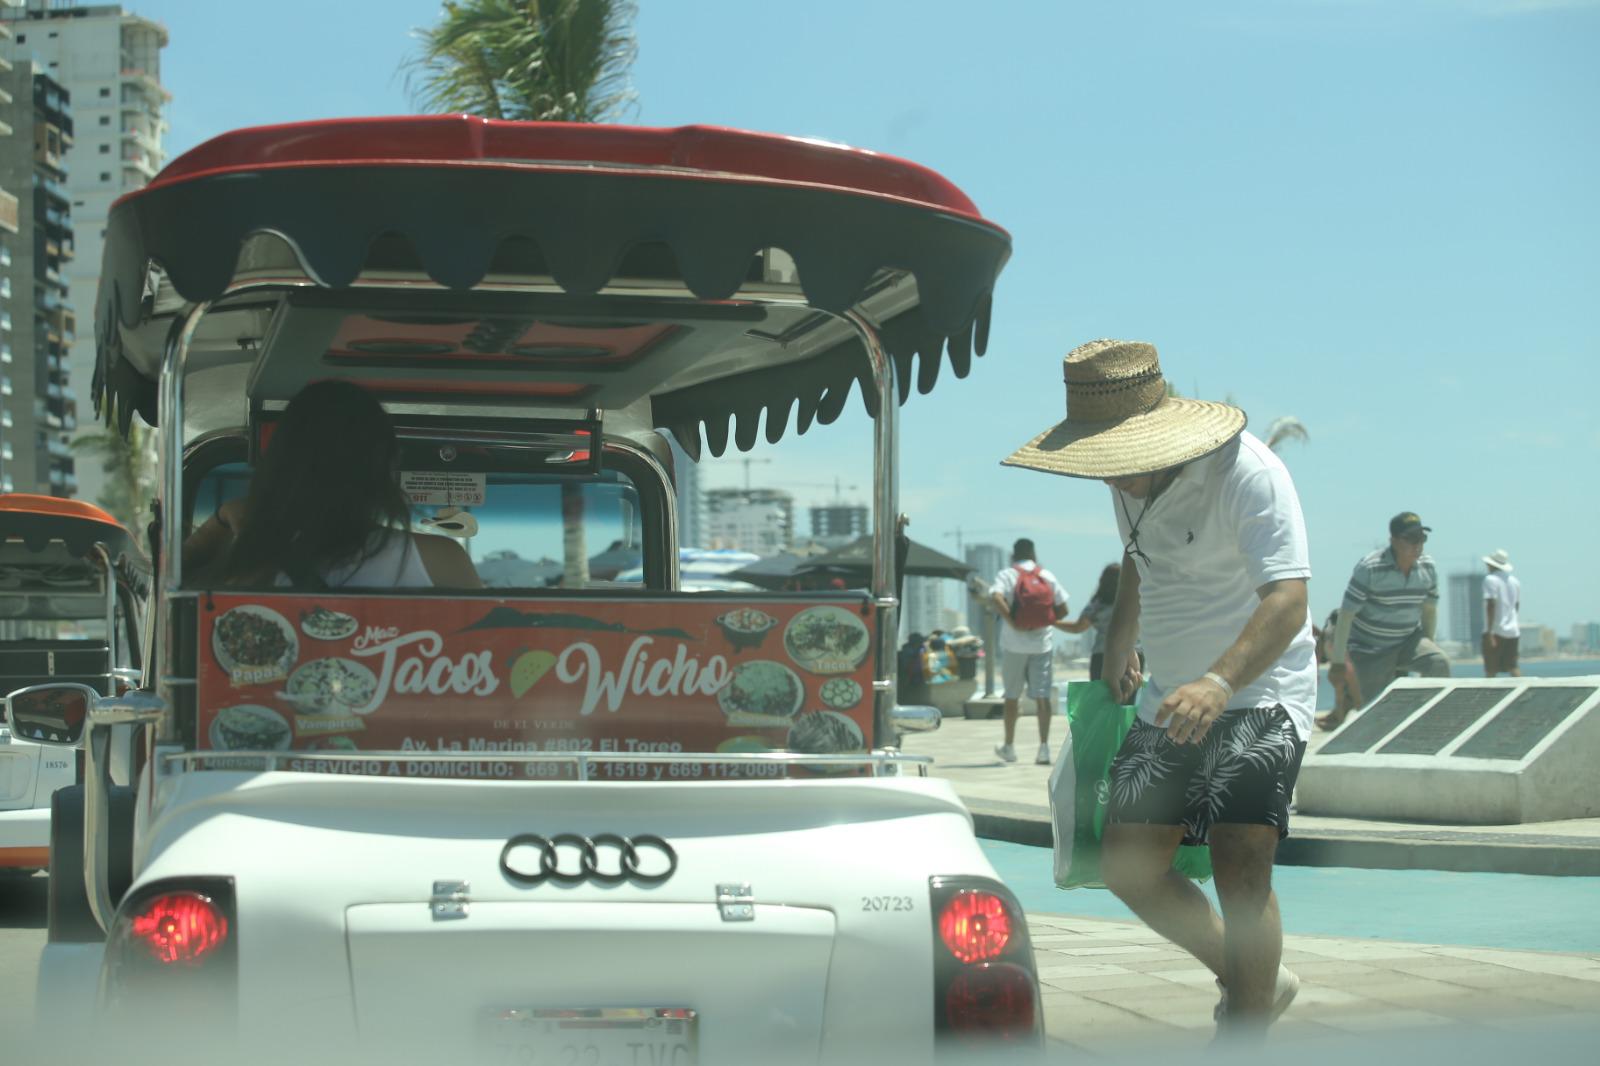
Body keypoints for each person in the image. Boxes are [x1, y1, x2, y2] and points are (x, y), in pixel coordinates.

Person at [1002, 339, 1315, 1035]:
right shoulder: (1128, 484)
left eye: (1122, 458)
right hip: (1171, 695)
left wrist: (1219, 679)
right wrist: (1120, 636)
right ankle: (1257, 980)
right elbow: (1139, 553)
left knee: (1241, 861)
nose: (1113, 478)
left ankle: (1246, 1027)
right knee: (1128, 866)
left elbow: (1288, 599)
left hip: (1259, 689)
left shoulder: (1249, 474)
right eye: (1101, 461)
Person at [184, 380, 482, 589]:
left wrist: (222, 519)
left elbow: (172, 590)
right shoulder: (442, 562)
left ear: (277, 470)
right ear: (384, 469)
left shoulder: (248, 571)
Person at [1328, 512, 1448, 711]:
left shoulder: (1428, 567)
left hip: (1408, 641)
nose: (1417, 544)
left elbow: (1429, 611)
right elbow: (1346, 616)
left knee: (1438, 662)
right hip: (1371, 649)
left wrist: (1427, 645)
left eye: (1422, 538)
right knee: (1375, 711)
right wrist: (1338, 663)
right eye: (1410, 539)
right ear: (1393, 541)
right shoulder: (1370, 568)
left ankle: (1430, 717)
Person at [988, 538, 1069, 765]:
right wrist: (1045, 621)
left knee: (1012, 696)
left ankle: (1009, 747)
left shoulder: (1007, 574)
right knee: (1042, 696)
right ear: (1033, 554)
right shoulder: (1047, 576)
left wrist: (1013, 622)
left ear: (1014, 555)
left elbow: (995, 596)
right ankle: (1043, 749)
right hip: (1042, 644)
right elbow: (1064, 608)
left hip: (1014, 645)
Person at [1057, 563, 1123, 680]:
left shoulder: (1097, 605)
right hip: (1133, 653)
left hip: (1103, 655)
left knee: (1100, 696)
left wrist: (1052, 622)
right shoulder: (1135, 603)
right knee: (1131, 696)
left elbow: (1078, 627)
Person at [1482, 549, 1522, 678]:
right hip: (1513, 631)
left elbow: (1491, 604)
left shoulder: (1490, 579)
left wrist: (1489, 632)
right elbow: (1516, 605)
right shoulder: (1515, 581)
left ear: (1491, 565)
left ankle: (1488, 695)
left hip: (1497, 630)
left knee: (1491, 669)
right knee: (1513, 667)